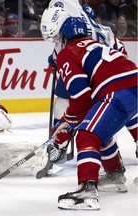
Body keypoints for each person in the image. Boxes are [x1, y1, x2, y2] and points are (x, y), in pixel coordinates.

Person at [51, 16, 137, 210]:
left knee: (86, 135)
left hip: (117, 90)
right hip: (132, 85)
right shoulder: (96, 44)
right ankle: (115, 173)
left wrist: (65, 127)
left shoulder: (68, 53)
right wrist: (69, 123)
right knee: (98, 130)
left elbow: (81, 97)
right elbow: (87, 101)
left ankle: (87, 190)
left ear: (64, 37)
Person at [40, 1, 127, 164]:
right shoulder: (88, 27)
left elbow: (67, 51)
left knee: (87, 110)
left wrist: (54, 60)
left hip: (95, 73)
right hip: (101, 72)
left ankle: (62, 143)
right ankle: (63, 143)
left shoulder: (78, 30)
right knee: (74, 104)